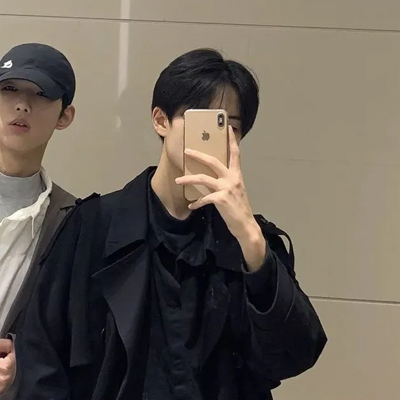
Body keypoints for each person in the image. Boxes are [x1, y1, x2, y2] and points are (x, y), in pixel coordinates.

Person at [16, 48, 327, 400]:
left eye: (230, 127)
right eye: (201, 122)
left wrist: (252, 242)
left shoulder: (247, 240)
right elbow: (41, 357)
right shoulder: (93, 226)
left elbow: (295, 354)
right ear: (160, 120)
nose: (215, 138)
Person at [0, 43, 76, 396]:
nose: (21, 105)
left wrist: (23, 365)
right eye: (8, 88)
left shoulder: (72, 221)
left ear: (65, 116)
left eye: (40, 93)